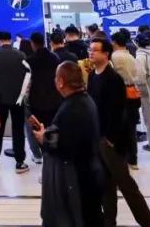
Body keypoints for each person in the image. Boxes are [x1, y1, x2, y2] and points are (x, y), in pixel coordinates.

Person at [84, 38, 150, 227]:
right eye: (90, 49)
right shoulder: (92, 76)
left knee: (126, 185)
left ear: (106, 54)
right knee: (105, 184)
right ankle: (109, 221)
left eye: (95, 50)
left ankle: (149, 223)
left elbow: (118, 112)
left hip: (112, 142)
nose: (91, 52)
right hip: (98, 138)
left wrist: (110, 139)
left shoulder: (113, 79)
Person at [32, 61, 106, 227]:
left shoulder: (73, 108)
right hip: (89, 173)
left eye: (56, 77)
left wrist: (44, 139)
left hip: (77, 180)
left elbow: (67, 145)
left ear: (61, 82)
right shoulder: (83, 101)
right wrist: (48, 133)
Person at [0, 30, 31, 173]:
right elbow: (27, 75)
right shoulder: (21, 55)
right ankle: (20, 162)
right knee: (18, 129)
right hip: (18, 98)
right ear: (11, 39)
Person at [26, 31, 63, 165]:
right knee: (52, 128)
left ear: (32, 43)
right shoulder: (55, 58)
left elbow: (27, 83)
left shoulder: (30, 60)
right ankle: (53, 154)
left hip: (37, 101)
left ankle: (41, 155)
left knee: (38, 129)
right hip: (55, 99)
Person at [111, 30, 144, 169]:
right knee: (131, 128)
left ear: (114, 42)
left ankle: (120, 159)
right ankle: (133, 160)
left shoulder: (114, 56)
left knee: (119, 127)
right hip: (133, 92)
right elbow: (140, 75)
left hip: (120, 93)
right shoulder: (131, 56)